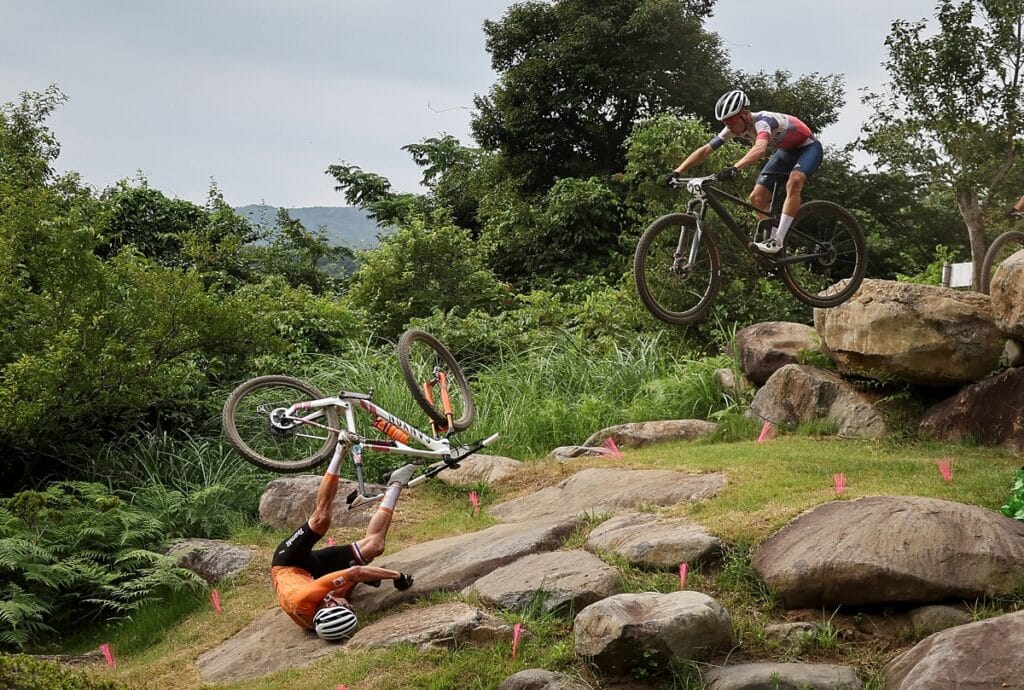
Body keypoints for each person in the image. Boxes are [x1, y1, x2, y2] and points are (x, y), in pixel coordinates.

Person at [271, 455, 416, 642]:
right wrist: (361, 577)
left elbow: (355, 572)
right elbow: (350, 582)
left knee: (321, 519)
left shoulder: (305, 597)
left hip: (288, 562)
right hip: (312, 574)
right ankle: (396, 482)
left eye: (347, 607)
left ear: (329, 604)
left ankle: (340, 451)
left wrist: (397, 576)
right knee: (375, 546)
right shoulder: (322, 619)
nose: (350, 605)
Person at [666, 89, 824, 254]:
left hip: (808, 147)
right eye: (726, 123)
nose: (729, 127)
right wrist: (678, 171)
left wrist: (735, 168)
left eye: (732, 122)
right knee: (757, 198)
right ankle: (773, 243)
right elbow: (706, 149)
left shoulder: (763, 122)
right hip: (785, 151)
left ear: (745, 114)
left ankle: (778, 241)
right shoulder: (733, 127)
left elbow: (760, 148)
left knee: (794, 182)